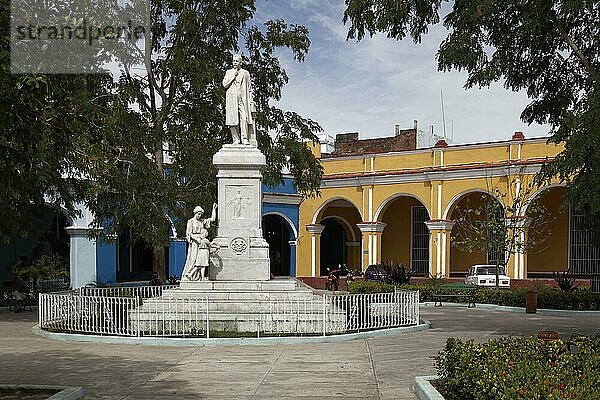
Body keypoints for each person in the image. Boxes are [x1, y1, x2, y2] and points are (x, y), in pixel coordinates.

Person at [222, 54, 256, 145]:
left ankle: (244, 138)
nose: (234, 63)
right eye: (233, 61)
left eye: (236, 61)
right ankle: (235, 139)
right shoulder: (229, 72)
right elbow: (224, 84)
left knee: (244, 117)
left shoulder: (245, 73)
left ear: (241, 62)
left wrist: (251, 101)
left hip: (243, 99)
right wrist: (233, 75)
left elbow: (249, 88)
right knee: (232, 120)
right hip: (232, 99)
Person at [182, 204, 217, 281]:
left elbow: (212, 219)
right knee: (193, 258)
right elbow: (189, 233)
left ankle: (197, 277)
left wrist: (213, 209)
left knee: (201, 260)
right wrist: (196, 239)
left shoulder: (202, 221)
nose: (200, 216)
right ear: (195, 213)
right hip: (195, 242)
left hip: (202, 242)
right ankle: (188, 274)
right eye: (199, 214)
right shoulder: (190, 221)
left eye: (201, 214)